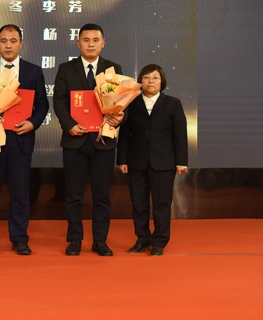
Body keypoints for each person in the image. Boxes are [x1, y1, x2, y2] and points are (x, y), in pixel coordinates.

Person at [0, 25, 49, 256]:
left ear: (21, 43)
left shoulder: (33, 71)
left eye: (13, 41)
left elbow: (42, 104)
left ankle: (20, 238)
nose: (8, 45)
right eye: (3, 41)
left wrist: (32, 123)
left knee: (20, 192)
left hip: (20, 138)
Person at [52, 23, 123, 256]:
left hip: (103, 141)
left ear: (103, 43)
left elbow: (121, 101)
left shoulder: (113, 69)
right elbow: (59, 101)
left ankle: (100, 241)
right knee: (73, 194)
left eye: (95, 40)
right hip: (75, 139)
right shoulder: (66, 68)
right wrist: (69, 125)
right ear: (78, 43)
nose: (90, 44)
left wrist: (118, 118)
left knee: (102, 195)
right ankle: (75, 239)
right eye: (86, 40)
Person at [116, 63, 188, 256]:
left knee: (162, 204)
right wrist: (122, 159)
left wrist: (181, 161)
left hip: (164, 162)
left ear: (162, 81)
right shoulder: (131, 102)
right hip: (136, 161)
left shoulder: (173, 103)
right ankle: (142, 238)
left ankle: (159, 241)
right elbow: (125, 134)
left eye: (155, 77)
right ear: (141, 81)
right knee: (138, 204)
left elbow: (180, 135)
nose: (151, 81)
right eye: (146, 77)